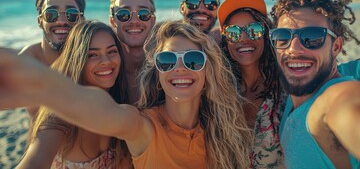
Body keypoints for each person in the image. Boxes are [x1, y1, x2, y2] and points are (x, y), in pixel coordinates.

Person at [0, 21, 253, 169]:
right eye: (166, 60)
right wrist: (41, 85)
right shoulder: (143, 126)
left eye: (193, 59)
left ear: (208, 70)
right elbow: (105, 112)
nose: (179, 68)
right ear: (158, 74)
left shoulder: (224, 128)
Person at [266, 0, 360, 168]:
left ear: (336, 47)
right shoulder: (293, 98)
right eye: (283, 37)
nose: (294, 48)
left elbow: (348, 107)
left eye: (312, 37)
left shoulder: (331, 101)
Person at [17, 21, 131, 169]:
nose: (106, 61)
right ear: (77, 60)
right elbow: (36, 160)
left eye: (111, 51)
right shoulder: (60, 115)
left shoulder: (121, 102)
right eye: (92, 55)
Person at [218, 0, 285, 168]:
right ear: (225, 40)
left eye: (253, 30)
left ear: (265, 33)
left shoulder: (285, 88)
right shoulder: (219, 92)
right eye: (233, 32)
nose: (244, 38)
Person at [19, 0, 85, 120]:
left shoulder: (95, 58)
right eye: (51, 14)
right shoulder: (27, 62)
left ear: (81, 20)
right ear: (40, 21)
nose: (61, 21)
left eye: (71, 15)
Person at [109, 0, 156, 104]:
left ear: (152, 21)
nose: (134, 20)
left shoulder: (168, 66)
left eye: (143, 13)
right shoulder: (104, 69)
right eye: (124, 14)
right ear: (113, 21)